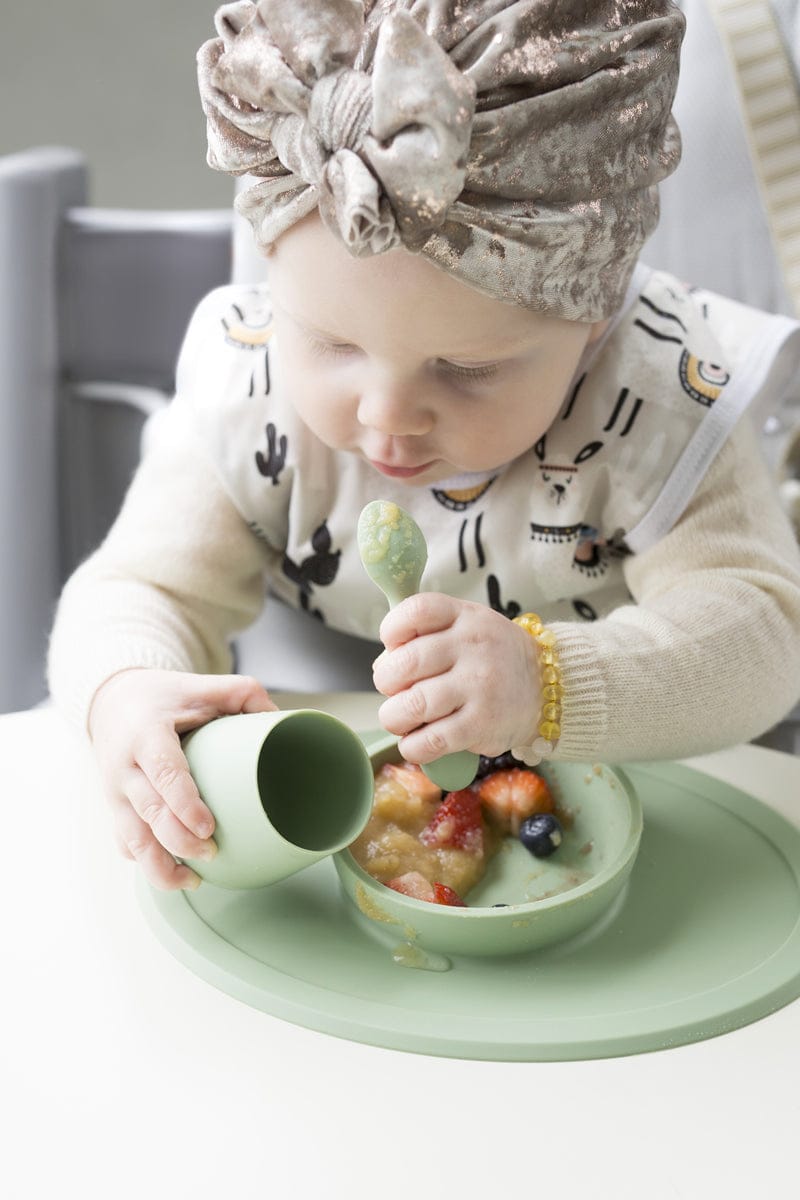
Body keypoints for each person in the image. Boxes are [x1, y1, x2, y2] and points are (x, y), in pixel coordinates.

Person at [48, 0, 800, 892]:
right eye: (330, 343)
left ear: (595, 321)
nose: (389, 414)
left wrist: (545, 682)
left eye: (466, 368)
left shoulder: (653, 396)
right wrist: (127, 690)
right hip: (326, 811)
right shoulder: (254, 394)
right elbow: (138, 588)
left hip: (648, 821)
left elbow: (765, 633)